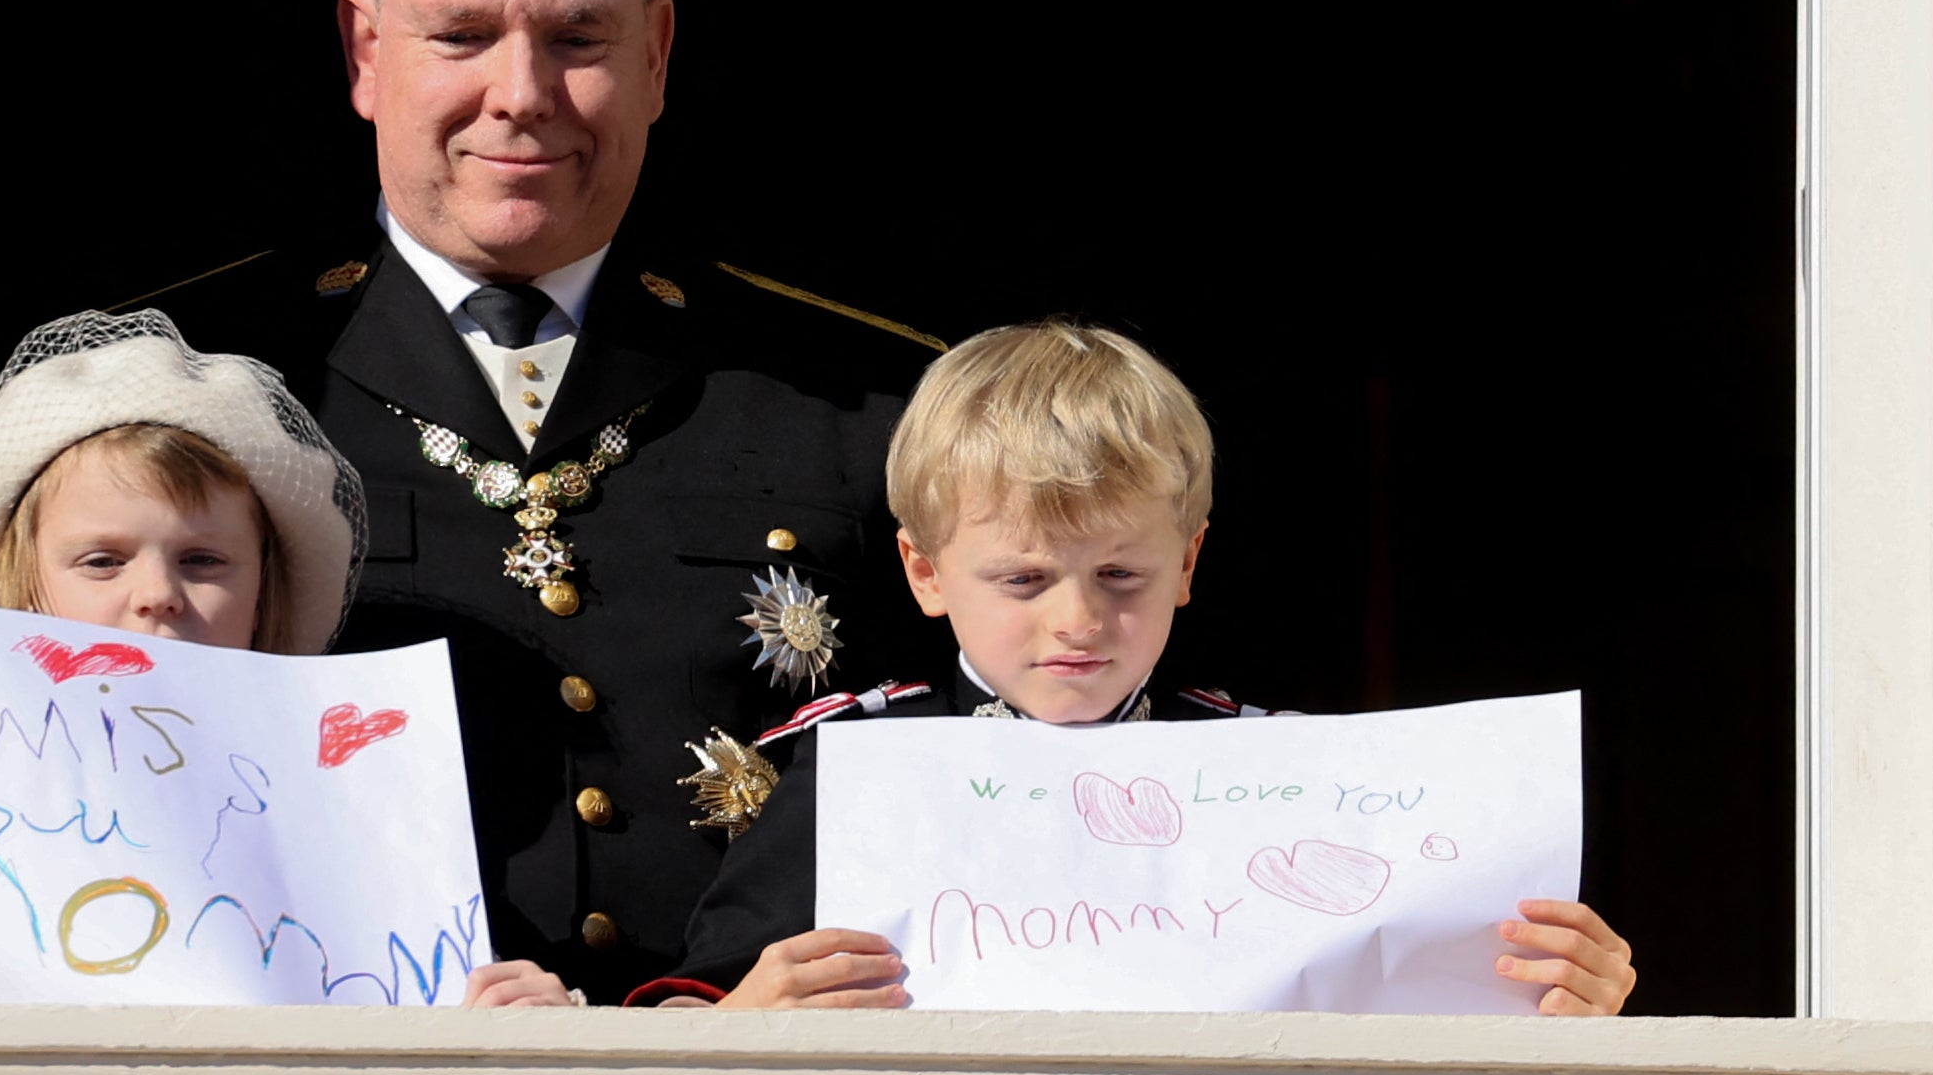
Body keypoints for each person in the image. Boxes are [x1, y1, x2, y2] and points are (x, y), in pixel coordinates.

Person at [120, 0, 950, 1002]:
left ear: (657, 55)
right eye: (460, 35)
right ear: (364, 51)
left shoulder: (868, 403)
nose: (522, 92)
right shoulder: (190, 386)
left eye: (578, 38)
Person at [641, 319, 1641, 1014]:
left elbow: (1440, 1008)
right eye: (1024, 578)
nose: (1078, 620)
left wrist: (1561, 993)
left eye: (1120, 572)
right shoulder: (852, 770)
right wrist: (745, 1014)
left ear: (1189, 562)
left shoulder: (1291, 774)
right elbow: (706, 1009)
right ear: (926, 570)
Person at [0, 310, 575, 1007]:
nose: (156, 594)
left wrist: (521, 1026)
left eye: (204, 560)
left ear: (268, 595)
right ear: (21, 590)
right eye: (101, 560)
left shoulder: (376, 828)